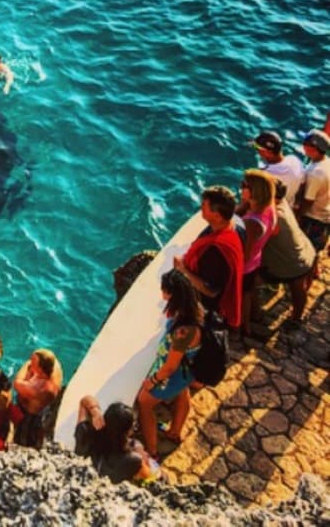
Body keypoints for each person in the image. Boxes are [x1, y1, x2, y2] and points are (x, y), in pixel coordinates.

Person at [136, 269, 204, 459]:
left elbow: (170, 367)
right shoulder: (196, 309)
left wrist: (152, 382)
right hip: (189, 369)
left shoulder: (183, 331)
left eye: (164, 291)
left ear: (173, 294)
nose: (162, 294)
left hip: (176, 372)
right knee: (183, 392)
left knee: (144, 402)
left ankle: (152, 450)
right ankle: (174, 433)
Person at [173, 185, 244, 330]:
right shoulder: (236, 229)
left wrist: (183, 269)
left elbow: (210, 290)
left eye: (204, 206)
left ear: (217, 215)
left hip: (206, 305)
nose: (200, 207)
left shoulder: (215, 251)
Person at [260, 178, 316, 328]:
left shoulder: (274, 216)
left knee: (296, 288)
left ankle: (295, 319)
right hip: (306, 250)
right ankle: (297, 317)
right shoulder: (282, 202)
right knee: (299, 288)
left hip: (295, 262)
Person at [74, 396, 157, 483]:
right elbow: (150, 478)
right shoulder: (133, 459)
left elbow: (84, 401)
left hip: (82, 476)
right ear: (128, 431)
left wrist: (95, 411)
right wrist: (143, 457)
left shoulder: (84, 432)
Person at [237, 169, 278, 337]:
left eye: (244, 185)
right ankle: (256, 315)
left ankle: (243, 326)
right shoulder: (269, 208)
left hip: (245, 265)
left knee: (243, 295)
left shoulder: (251, 223)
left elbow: (244, 254)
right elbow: (273, 231)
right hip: (256, 259)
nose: (240, 188)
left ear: (255, 191)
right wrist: (245, 203)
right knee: (250, 291)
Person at [296, 128, 330, 289]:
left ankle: (305, 283)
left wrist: (297, 217)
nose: (303, 145)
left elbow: (308, 200)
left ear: (314, 148)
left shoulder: (316, 173)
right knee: (317, 249)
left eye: (305, 143)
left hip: (314, 217)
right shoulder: (326, 162)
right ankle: (314, 271)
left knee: (308, 249)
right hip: (326, 213)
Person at [11, 347, 63, 449]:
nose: (30, 361)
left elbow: (16, 383)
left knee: (23, 440)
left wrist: (27, 366)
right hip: (44, 409)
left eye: (33, 362)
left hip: (30, 417)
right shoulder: (55, 367)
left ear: (41, 369)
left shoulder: (39, 389)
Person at [250, 129, 304, 201]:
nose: (257, 151)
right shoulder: (295, 160)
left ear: (268, 152)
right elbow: (302, 185)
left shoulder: (265, 175)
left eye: (258, 148)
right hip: (288, 207)